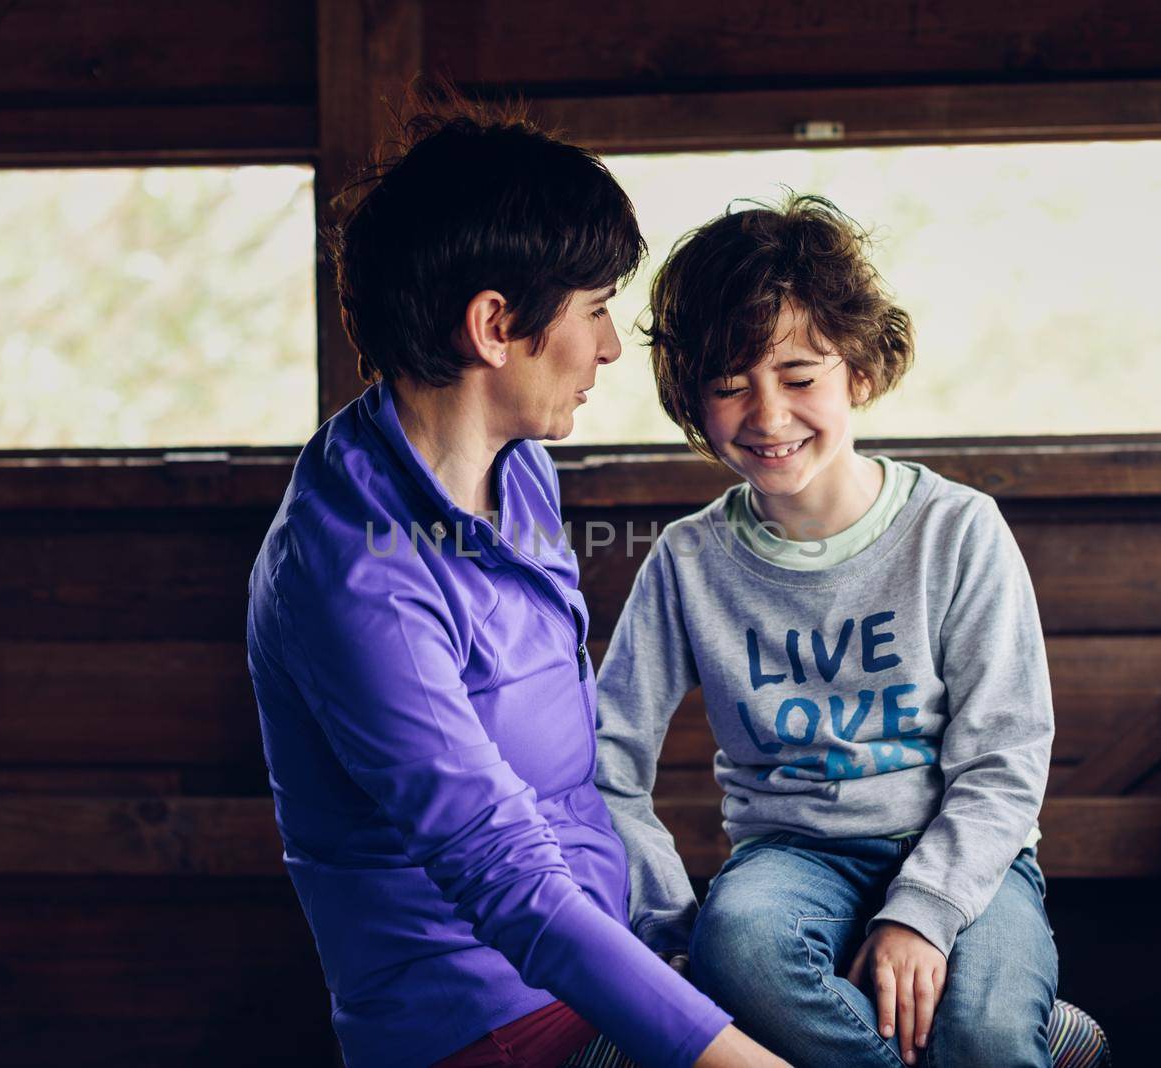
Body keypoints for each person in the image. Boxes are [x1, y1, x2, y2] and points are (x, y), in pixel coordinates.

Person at [245, 97, 782, 1068]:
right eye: (594, 309)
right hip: (491, 1025)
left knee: (1035, 1035)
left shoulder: (517, 462)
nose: (613, 346)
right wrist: (731, 1056)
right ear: (496, 326)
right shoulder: (352, 580)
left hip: (605, 962)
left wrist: (673, 944)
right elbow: (500, 872)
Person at [594, 194, 1059, 1067]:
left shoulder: (958, 530)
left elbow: (1006, 753)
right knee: (738, 943)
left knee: (990, 1035)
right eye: (730, 387)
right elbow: (604, 760)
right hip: (789, 862)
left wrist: (921, 912)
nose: (768, 417)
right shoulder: (687, 561)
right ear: (694, 403)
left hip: (965, 857)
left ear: (861, 372)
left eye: (800, 377)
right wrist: (663, 922)